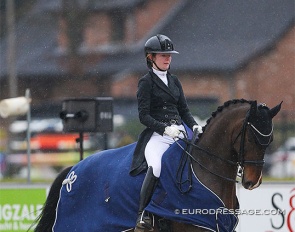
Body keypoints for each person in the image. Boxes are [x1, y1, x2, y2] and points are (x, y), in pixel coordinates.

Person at [130, 34, 202, 231]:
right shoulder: (146, 82)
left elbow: (184, 110)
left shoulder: (175, 80)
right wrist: (164, 128)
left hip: (179, 132)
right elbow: (143, 116)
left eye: (169, 55)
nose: (167, 58)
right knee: (157, 167)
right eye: (163, 55)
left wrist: (195, 125)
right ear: (150, 57)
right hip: (158, 135)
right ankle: (143, 214)